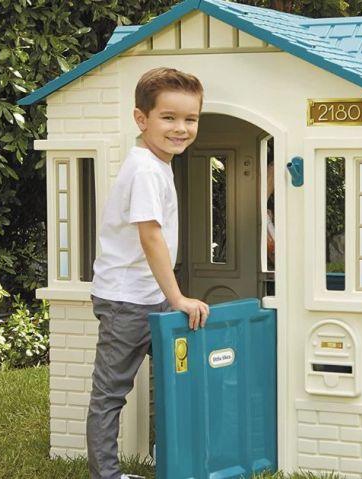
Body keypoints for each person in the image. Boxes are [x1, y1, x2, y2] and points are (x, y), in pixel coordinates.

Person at [86, 67, 210, 479]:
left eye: (190, 119)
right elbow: (150, 236)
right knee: (110, 394)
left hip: (148, 295)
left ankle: (172, 457)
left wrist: (167, 297)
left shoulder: (159, 163)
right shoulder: (143, 168)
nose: (181, 128)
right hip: (126, 301)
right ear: (142, 119)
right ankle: (107, 476)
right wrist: (177, 298)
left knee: (182, 376)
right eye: (168, 118)